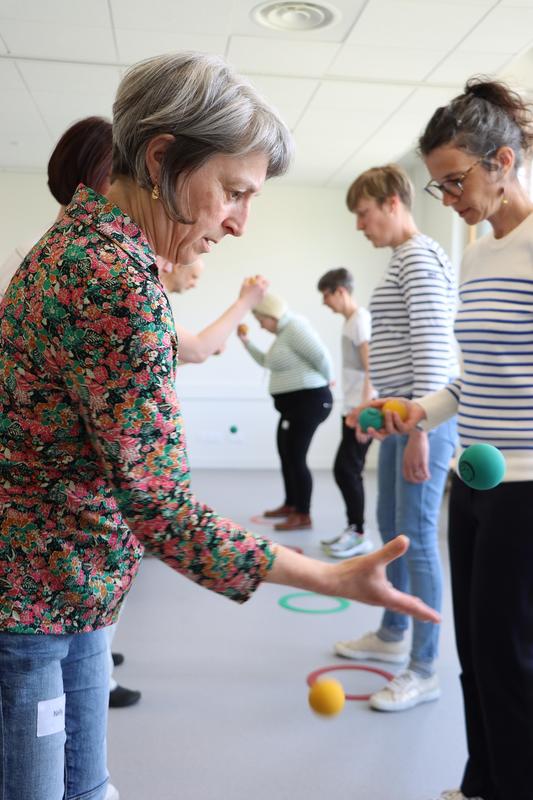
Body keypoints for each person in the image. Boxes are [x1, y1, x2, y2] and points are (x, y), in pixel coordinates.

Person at [0, 52, 439, 800]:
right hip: (38, 600)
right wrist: (327, 575)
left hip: (68, 591)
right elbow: (161, 507)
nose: (238, 222)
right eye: (232, 192)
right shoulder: (115, 279)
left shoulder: (80, 245)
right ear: (163, 157)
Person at [374, 77, 533, 800]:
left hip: (525, 493)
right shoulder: (474, 250)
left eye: (455, 181)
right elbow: (475, 378)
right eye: (437, 187)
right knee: (474, 649)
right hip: (475, 481)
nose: (450, 198)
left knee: (509, 656)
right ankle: (482, 781)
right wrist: (416, 413)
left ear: (502, 162)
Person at [332, 164, 458, 712]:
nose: (360, 226)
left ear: (389, 202)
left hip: (422, 422)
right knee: (393, 530)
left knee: (419, 536)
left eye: (363, 214)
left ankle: (424, 667)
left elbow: (434, 352)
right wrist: (375, 404)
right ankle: (392, 632)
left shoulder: (420, 260)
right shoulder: (404, 260)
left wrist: (420, 432)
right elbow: (403, 351)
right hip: (400, 416)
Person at [238, 292, 334, 530]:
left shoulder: (295, 327)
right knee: (286, 454)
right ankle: (291, 504)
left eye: (261, 320)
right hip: (293, 407)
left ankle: (303, 514)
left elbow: (321, 355)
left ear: (271, 315)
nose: (260, 325)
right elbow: (266, 362)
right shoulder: (283, 334)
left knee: (297, 457)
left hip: (310, 402)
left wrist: (329, 379)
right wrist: (246, 343)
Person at [317, 266, 374, 557]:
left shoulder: (360, 321)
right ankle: (354, 528)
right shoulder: (350, 321)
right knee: (347, 470)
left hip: (359, 411)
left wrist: (364, 416)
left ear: (340, 291)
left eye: (326, 296)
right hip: (351, 408)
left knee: (346, 470)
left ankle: (359, 533)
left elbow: (371, 368)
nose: (324, 302)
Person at [159, 258, 269, 363]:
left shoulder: (161, 300)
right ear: (178, 267)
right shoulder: (155, 299)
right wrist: (246, 301)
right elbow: (198, 351)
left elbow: (167, 359)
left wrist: (208, 349)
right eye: (193, 276)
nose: (195, 284)